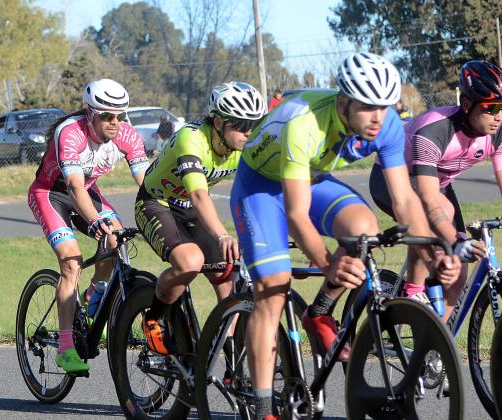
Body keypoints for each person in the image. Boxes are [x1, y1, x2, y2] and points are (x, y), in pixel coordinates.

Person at [230, 52, 461, 419]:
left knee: (364, 229)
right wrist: (326, 261)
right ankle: (261, 409)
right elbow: (295, 212)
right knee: (273, 288)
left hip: (311, 177)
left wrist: (435, 254)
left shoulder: (386, 126)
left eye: (384, 107)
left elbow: (404, 200)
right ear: (343, 102)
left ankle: (319, 312)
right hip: (261, 185)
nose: (378, 118)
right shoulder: (303, 123)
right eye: (368, 107)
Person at [28, 78, 149, 374]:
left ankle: (93, 295)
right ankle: (66, 347)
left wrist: (159, 214)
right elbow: (72, 186)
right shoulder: (70, 133)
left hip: (87, 191)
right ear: (90, 113)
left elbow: (147, 183)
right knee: (72, 262)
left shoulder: (127, 136)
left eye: (121, 115)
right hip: (51, 194)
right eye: (107, 115)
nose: (115, 122)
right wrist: (95, 222)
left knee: (116, 241)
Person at [137, 82, 266, 358]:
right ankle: (153, 318)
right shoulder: (192, 138)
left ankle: (233, 366)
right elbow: (198, 194)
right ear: (219, 122)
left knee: (226, 276)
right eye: (241, 124)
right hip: (157, 202)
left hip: (190, 208)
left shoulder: (247, 145)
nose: (248, 132)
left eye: (254, 123)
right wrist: (222, 235)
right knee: (191, 262)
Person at [370, 60, 501, 318]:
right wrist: (452, 240)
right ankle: (413, 290)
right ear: (466, 104)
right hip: (392, 179)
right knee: (438, 213)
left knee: (457, 274)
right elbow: (428, 201)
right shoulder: (434, 130)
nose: (499, 115)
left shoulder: (497, 132)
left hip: (437, 184)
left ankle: (435, 345)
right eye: (491, 107)